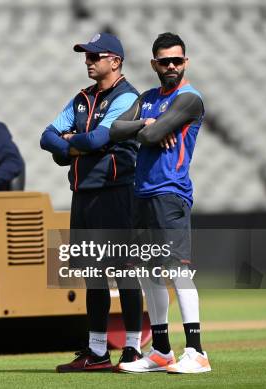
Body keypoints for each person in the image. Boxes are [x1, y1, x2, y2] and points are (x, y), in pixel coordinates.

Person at [40, 32, 144, 372]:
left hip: (116, 192)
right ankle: (97, 351)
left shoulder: (129, 97)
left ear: (115, 61)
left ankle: (132, 349)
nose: (88, 61)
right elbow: (46, 136)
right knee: (93, 274)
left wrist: (71, 142)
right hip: (83, 193)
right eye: (86, 56)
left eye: (95, 56)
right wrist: (74, 144)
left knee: (124, 271)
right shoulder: (81, 98)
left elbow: (103, 137)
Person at [110, 32, 211, 374]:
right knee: (149, 274)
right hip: (142, 194)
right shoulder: (148, 97)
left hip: (171, 193)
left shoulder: (190, 98)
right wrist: (146, 123)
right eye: (164, 61)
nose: (171, 66)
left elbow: (148, 136)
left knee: (176, 270)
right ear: (154, 64)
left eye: (177, 60)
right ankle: (162, 351)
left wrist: (145, 129)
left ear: (186, 62)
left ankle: (197, 351)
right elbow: (115, 129)